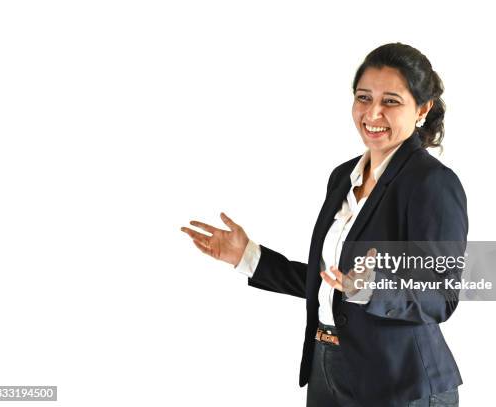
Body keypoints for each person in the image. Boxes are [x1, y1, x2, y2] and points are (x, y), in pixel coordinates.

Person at [181, 43, 467, 407]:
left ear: (422, 109)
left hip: (401, 384)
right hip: (328, 367)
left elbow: (440, 296)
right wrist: (249, 257)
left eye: (391, 101)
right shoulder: (342, 177)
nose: (373, 112)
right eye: (364, 97)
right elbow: (330, 283)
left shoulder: (431, 183)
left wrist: (372, 288)